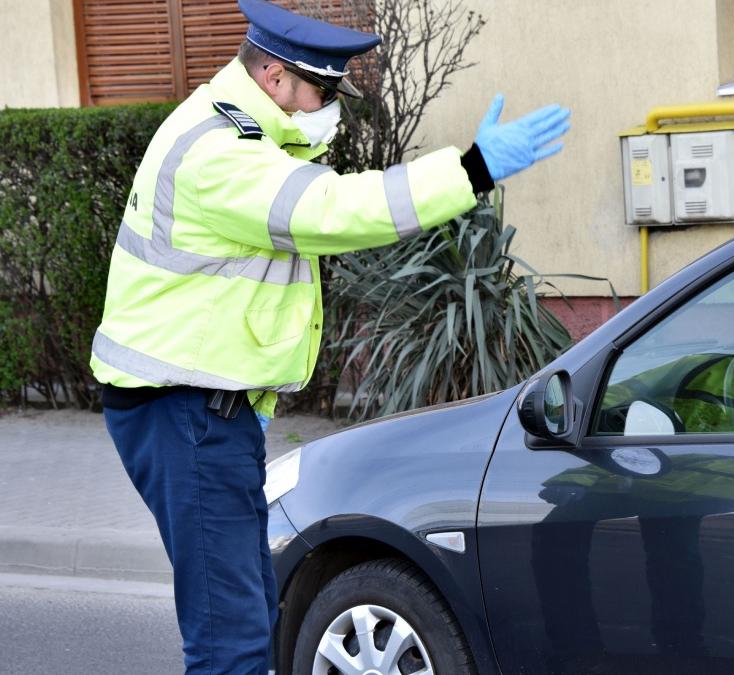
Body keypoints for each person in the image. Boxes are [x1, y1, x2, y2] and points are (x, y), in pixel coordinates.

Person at [90, 0, 570, 671]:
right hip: (187, 416)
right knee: (231, 638)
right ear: (274, 78)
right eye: (323, 90)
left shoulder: (233, 131)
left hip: (200, 412)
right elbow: (334, 209)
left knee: (249, 613)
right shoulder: (219, 154)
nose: (330, 107)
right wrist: (471, 170)